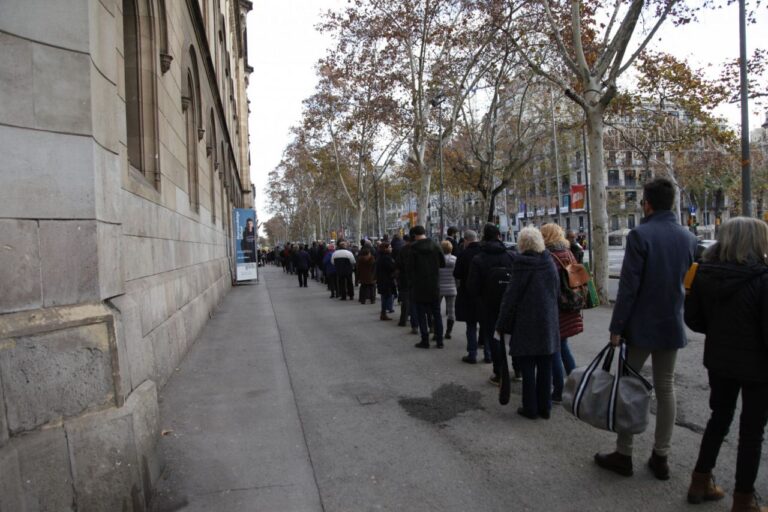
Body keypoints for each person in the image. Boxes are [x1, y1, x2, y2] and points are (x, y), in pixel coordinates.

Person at [596, 177, 697, 479]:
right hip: (671, 323)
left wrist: (617, 327)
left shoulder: (640, 235)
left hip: (640, 325)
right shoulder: (688, 237)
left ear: (647, 204)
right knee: (666, 389)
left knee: (630, 386)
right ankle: (660, 456)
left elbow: (628, 288)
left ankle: (624, 453)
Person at [684, 217, 768, 512]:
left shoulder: (704, 272)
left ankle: (699, 481)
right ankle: (743, 500)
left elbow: (692, 319)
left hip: (718, 361)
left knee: (718, 419)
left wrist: (719, 331)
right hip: (758, 368)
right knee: (751, 433)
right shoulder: (762, 277)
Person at [496, 227, 560, 419]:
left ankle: (530, 408)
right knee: (545, 367)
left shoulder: (521, 264)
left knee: (528, 368)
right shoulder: (549, 262)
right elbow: (556, 291)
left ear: (521, 243)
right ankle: (545, 407)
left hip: (525, 323)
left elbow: (511, 297)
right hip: (547, 322)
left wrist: (501, 323)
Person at [541, 224, 583, 403]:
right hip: (571, 305)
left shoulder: (548, 257)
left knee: (555, 350)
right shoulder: (569, 253)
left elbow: (547, 287)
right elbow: (580, 279)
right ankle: (576, 386)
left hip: (556, 308)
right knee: (563, 345)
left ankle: (559, 391)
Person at [466, 223, 515, 381]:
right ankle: (519, 368)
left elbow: (472, 287)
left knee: (494, 337)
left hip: (487, 304)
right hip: (509, 302)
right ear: (499, 236)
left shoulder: (479, 258)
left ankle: (499, 371)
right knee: (513, 335)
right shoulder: (511, 256)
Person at [407, 225, 446, 349]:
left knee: (421, 315)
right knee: (437, 314)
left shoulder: (412, 248)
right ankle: (439, 340)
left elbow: (409, 268)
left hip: (419, 286)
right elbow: (443, 263)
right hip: (434, 284)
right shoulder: (435, 245)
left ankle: (425, 340)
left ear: (414, 235)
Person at [454, 230, 484, 364]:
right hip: (485, 294)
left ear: (466, 240)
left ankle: (472, 353)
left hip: (468, 294)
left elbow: (457, 274)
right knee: (485, 325)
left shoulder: (463, 254)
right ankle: (488, 354)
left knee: (471, 325)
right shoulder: (484, 252)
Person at [438, 240, 457, 340]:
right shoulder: (455, 259)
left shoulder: (437, 260)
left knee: (436, 310)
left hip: (439, 288)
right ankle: (448, 332)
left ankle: (437, 330)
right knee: (451, 311)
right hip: (451, 288)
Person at [376, 243, 397, 321]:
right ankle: (384, 313)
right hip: (386, 280)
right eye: (390, 247)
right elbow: (391, 267)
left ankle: (384, 313)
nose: (391, 248)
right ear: (385, 248)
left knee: (386, 296)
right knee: (387, 296)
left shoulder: (381, 257)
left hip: (383, 280)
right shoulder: (386, 258)